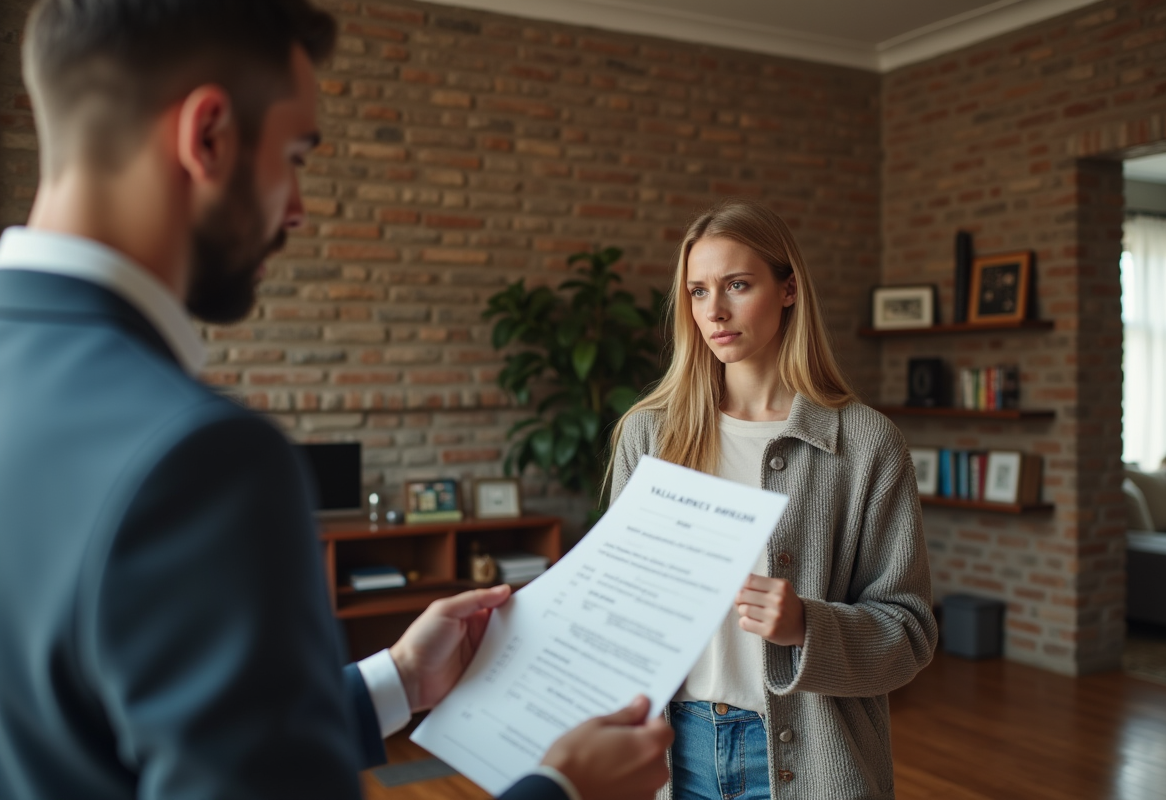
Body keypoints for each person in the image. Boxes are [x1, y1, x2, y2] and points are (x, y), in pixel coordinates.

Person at [0, 2, 671, 799]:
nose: (297, 208)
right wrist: (563, 790)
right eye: (295, 156)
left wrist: (394, 681)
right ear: (207, 136)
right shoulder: (199, 457)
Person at [607, 200, 938, 800]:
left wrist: (807, 625)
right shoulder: (649, 436)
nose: (715, 311)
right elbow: (623, 603)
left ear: (788, 290)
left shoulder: (864, 444)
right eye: (698, 291)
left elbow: (910, 634)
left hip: (814, 759)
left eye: (737, 285)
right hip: (671, 757)